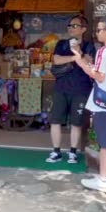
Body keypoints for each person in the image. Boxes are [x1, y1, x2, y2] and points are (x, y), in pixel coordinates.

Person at [72, 17, 106, 192]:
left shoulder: (104, 51)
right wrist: (90, 66)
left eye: (99, 30)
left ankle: (102, 180)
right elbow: (104, 72)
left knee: (105, 144)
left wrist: (80, 62)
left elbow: (99, 76)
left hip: (103, 103)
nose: (96, 33)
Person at [45, 15, 96, 164]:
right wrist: (75, 58)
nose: (70, 28)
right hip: (61, 88)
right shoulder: (61, 43)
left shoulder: (89, 46)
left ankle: (73, 151)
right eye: (69, 26)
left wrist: (78, 52)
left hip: (81, 89)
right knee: (55, 120)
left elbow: (89, 62)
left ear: (83, 29)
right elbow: (56, 60)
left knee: (76, 122)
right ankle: (56, 151)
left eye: (74, 26)